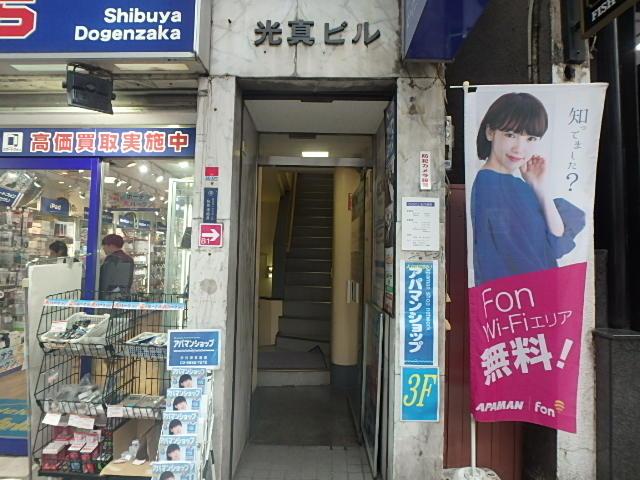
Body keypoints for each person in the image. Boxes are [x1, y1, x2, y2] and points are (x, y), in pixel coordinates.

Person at [471, 92, 585, 286]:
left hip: (523, 295)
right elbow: (552, 248)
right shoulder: (492, 186)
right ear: (490, 132)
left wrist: (538, 186)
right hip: (526, 295)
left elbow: (557, 240)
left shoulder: (512, 185)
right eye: (510, 135)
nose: (519, 148)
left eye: (531, 138)